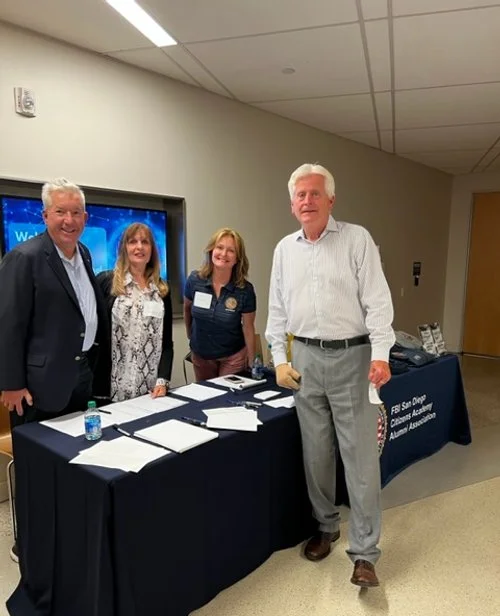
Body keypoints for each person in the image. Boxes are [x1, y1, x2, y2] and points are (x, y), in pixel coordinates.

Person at [266, 164, 395, 588]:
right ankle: (326, 526)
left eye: (315, 194)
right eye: (300, 195)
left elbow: (377, 302)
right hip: (304, 359)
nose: (307, 201)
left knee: (360, 459)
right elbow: (277, 310)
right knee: (316, 455)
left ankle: (365, 554)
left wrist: (380, 353)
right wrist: (278, 357)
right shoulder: (285, 249)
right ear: (292, 204)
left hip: (353, 357)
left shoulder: (356, 240)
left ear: (331, 200)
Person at [0, 177, 109, 562]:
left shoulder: (85, 255)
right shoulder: (25, 257)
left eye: (76, 212)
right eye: (60, 211)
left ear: (85, 216)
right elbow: (9, 324)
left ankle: (63, 531)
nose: (69, 219)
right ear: (44, 215)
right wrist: (11, 384)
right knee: (35, 470)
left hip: (78, 378)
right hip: (35, 386)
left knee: (71, 458)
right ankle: (27, 544)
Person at [96, 223, 173, 401]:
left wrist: (163, 381)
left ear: (152, 249)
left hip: (149, 391)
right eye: (133, 242)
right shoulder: (106, 282)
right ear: (124, 248)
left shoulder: (161, 290)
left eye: (145, 242)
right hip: (110, 388)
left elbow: (167, 343)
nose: (139, 247)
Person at [184, 228, 256, 381]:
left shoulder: (245, 290)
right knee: (205, 400)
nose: (223, 254)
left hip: (232, 356)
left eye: (231, 250)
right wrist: (191, 336)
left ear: (237, 258)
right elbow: (187, 309)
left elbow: (248, 327)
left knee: (226, 399)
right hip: (201, 355)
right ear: (211, 250)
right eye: (219, 247)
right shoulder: (195, 280)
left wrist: (252, 362)